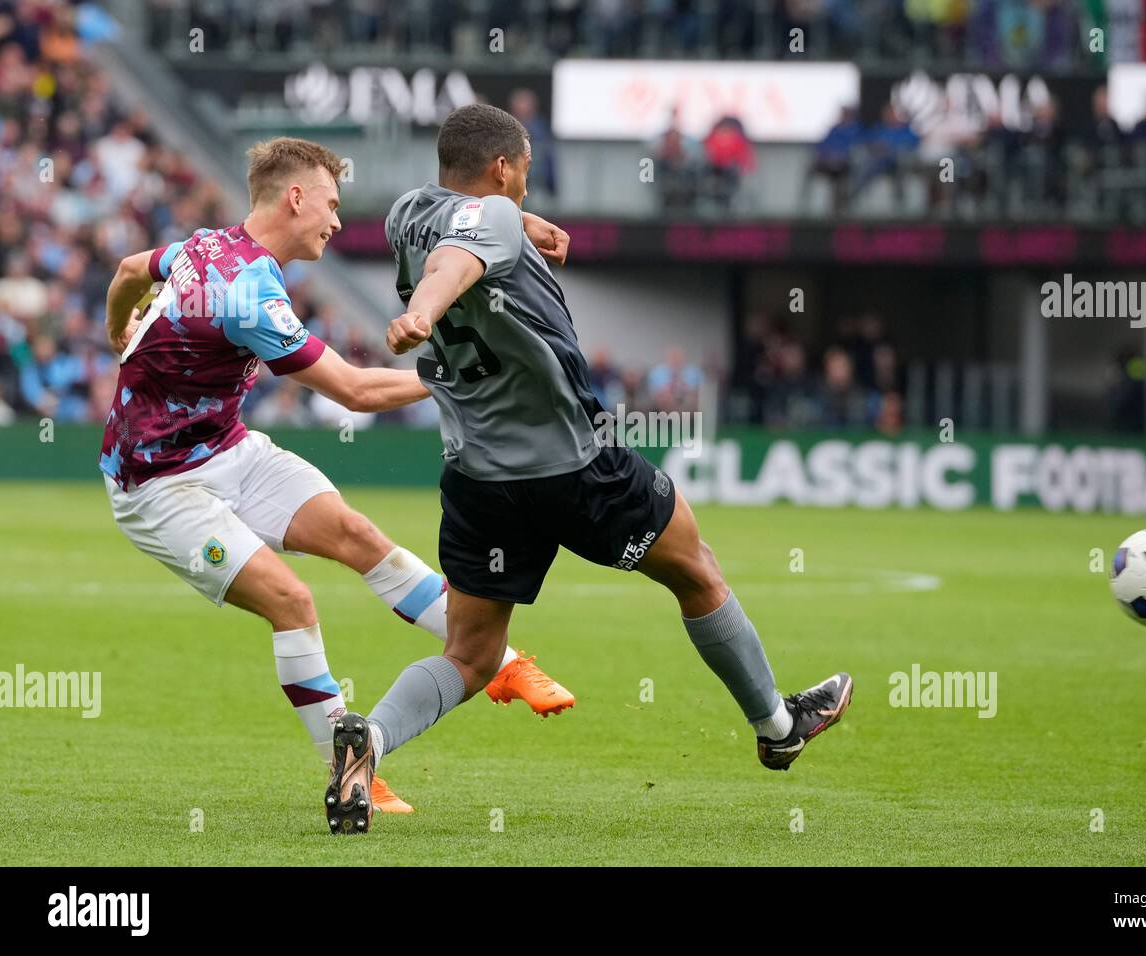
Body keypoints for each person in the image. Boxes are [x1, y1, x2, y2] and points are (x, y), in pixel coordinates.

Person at [326, 104, 853, 836]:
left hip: (479, 478)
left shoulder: (405, 213)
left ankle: (371, 743)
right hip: (576, 465)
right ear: (502, 171)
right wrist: (425, 308)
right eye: (525, 179)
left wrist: (527, 230)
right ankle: (777, 724)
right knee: (696, 571)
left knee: (472, 654)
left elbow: (461, 235)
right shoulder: (490, 225)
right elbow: (460, 259)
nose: (525, 193)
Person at [100, 137, 576, 818]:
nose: (336, 220)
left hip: (227, 450)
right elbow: (353, 391)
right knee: (292, 603)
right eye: (330, 203)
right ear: (295, 198)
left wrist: (119, 331)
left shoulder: (206, 245)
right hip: (158, 486)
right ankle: (352, 768)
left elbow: (126, 269)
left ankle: (502, 664)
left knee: (357, 536)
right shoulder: (245, 289)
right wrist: (455, 379)